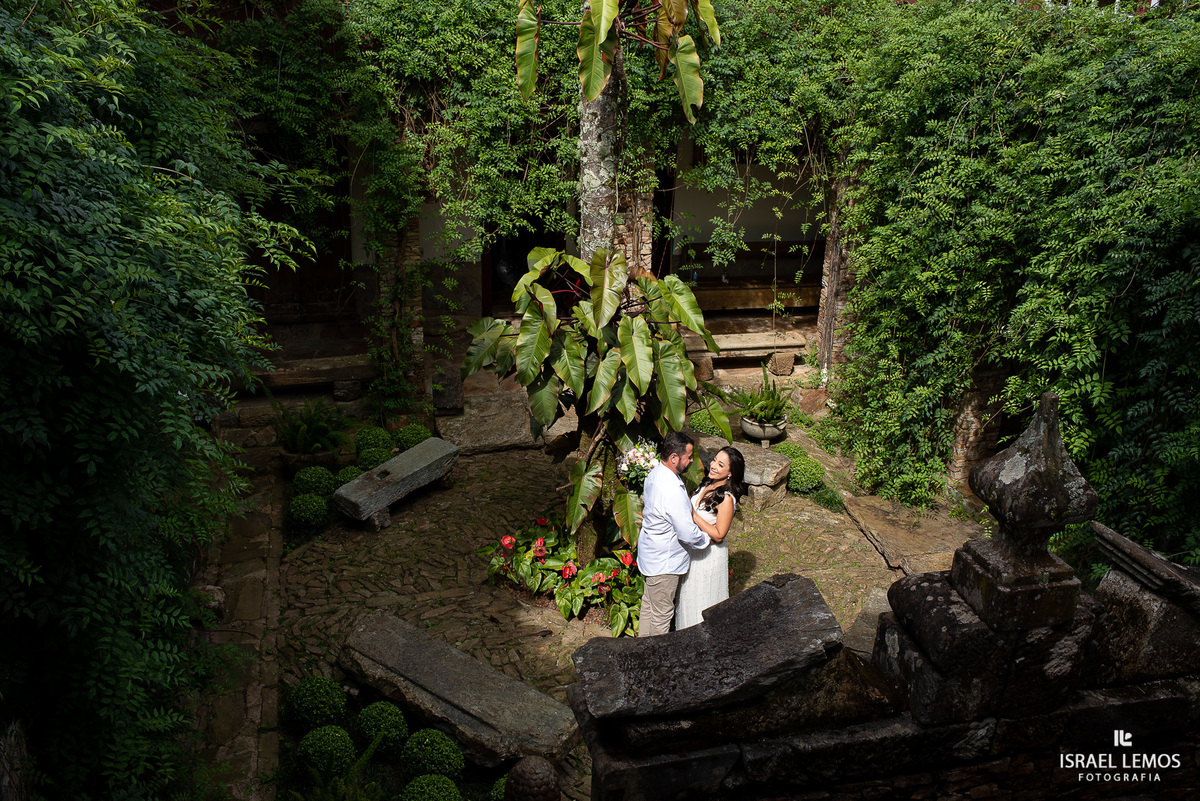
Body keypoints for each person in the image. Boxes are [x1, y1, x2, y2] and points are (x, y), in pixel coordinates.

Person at [636, 431, 713, 637]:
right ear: (673, 458)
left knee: (649, 606)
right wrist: (706, 539)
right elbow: (687, 532)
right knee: (661, 614)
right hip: (664, 562)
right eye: (688, 457)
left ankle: (640, 650)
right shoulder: (671, 489)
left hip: (651, 554)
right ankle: (654, 661)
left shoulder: (655, 473)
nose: (690, 461)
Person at [676, 446, 746, 629]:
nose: (713, 465)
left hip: (709, 556)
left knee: (703, 601)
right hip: (693, 551)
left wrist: (694, 516)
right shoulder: (706, 483)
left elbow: (719, 534)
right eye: (714, 460)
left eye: (720, 464)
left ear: (730, 473)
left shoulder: (727, 499)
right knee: (688, 599)